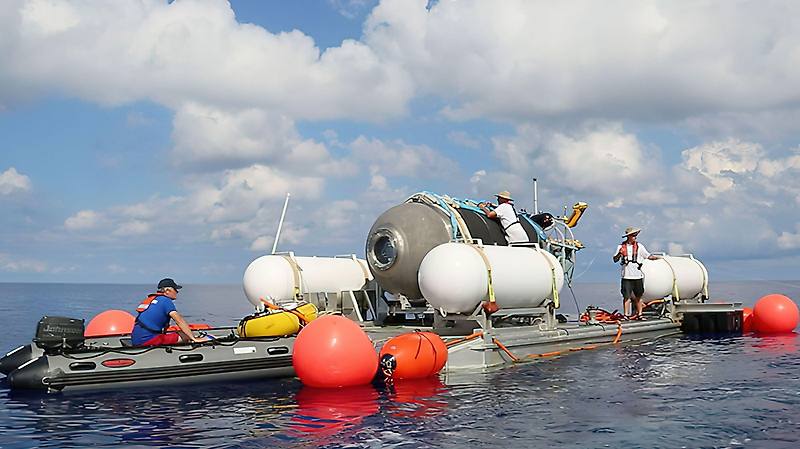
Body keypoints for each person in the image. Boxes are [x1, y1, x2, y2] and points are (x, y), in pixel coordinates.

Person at [131, 278, 210, 346]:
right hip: (146, 340)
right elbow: (179, 320)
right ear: (167, 290)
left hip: (136, 338)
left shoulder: (154, 299)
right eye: (175, 289)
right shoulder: (166, 301)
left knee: (180, 333)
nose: (177, 292)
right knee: (185, 335)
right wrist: (193, 338)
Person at [612, 227, 659, 319]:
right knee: (626, 297)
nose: (635, 238)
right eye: (633, 236)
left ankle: (639, 314)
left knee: (638, 296)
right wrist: (619, 254)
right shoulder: (620, 247)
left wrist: (657, 258)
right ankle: (626, 315)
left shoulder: (640, 246)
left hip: (637, 276)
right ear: (628, 236)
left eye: (636, 236)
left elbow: (648, 256)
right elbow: (615, 259)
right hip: (626, 276)